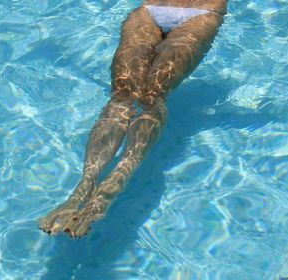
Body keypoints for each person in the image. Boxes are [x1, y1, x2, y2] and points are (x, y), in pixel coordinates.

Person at [39, 0, 227, 238]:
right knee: (122, 94)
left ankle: (111, 188)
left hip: (200, 14)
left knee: (153, 96)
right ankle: (82, 188)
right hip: (149, 11)